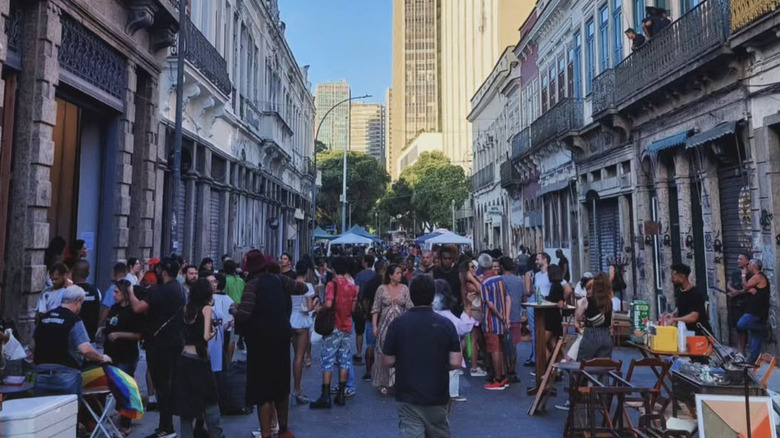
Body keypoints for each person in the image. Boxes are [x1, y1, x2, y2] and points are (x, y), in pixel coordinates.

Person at [231, 250, 307, 437]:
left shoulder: (252, 285)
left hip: (260, 342)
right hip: (281, 337)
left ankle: (266, 434)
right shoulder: (280, 280)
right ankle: (283, 430)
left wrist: (233, 309)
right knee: (280, 387)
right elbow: (302, 288)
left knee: (263, 390)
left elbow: (245, 313)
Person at [383, 274, 462, 438]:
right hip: (437, 393)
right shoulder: (446, 324)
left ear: (411, 295)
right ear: (433, 296)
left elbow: (388, 360)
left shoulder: (397, 324)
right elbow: (456, 361)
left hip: (407, 393)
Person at [128, 257, 185, 438]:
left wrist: (130, 291)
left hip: (159, 342)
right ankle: (168, 425)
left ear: (163, 271)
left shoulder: (159, 291)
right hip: (176, 341)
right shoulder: (180, 289)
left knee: (162, 385)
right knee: (169, 383)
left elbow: (138, 308)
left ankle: (166, 427)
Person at [171, 278, 224, 438]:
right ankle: (216, 433)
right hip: (200, 360)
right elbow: (205, 336)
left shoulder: (187, 307)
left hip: (184, 358)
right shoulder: (206, 308)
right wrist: (213, 332)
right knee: (210, 401)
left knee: (186, 405)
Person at [310, 256, 358, 409]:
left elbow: (329, 304)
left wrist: (319, 309)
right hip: (347, 326)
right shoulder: (352, 287)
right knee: (344, 359)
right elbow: (353, 309)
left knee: (328, 360)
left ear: (335, 269)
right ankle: (342, 394)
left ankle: (325, 396)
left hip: (333, 327)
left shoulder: (332, 284)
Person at [34, 285, 112, 369]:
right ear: (78, 301)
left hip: (41, 370)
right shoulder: (74, 320)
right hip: (66, 372)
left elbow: (32, 345)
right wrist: (102, 358)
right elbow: (86, 350)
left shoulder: (45, 316)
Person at [103, 279, 144, 434]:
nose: (113, 295)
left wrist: (119, 334)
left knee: (125, 389)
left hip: (126, 355)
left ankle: (126, 422)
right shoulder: (114, 308)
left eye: (116, 292)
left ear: (125, 294)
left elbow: (139, 335)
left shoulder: (133, 312)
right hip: (110, 354)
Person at [371, 263, 413, 396]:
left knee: (400, 352)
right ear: (390, 275)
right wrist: (374, 326)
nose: (400, 275)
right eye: (398, 273)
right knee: (382, 352)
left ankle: (398, 381)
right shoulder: (381, 289)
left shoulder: (405, 288)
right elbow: (375, 309)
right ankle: (382, 382)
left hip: (400, 326)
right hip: (384, 326)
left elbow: (409, 306)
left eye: (401, 273)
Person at [433, 279, 473, 402]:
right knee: (453, 371)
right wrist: (468, 307)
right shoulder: (448, 316)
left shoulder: (428, 313)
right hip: (449, 350)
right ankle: (452, 393)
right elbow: (464, 327)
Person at [478, 253, 510, 390]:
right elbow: (508, 298)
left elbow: (489, 304)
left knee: (494, 349)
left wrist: (500, 316)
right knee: (500, 348)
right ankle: (503, 375)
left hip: (491, 320)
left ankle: (498, 378)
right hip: (502, 319)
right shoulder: (500, 279)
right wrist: (506, 317)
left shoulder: (484, 283)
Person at [291, 260, 316, 404]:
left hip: (289, 321)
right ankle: (297, 388)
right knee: (299, 357)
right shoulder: (308, 287)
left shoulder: (290, 284)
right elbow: (309, 307)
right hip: (302, 322)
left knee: (292, 355)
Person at [663, 263, 712, 336]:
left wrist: (675, 320)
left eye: (674, 277)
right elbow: (681, 307)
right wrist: (673, 314)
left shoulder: (695, 294)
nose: (672, 280)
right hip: (687, 333)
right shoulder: (680, 291)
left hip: (699, 334)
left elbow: (694, 316)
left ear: (682, 276)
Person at [737, 259, 770, 363]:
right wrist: (748, 290)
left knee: (741, 325)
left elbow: (745, 285)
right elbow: (747, 288)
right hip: (758, 312)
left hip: (756, 311)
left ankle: (762, 328)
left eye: (750, 264)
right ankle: (751, 361)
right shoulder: (756, 277)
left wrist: (743, 275)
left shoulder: (758, 276)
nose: (748, 265)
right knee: (756, 335)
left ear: (754, 266)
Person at [500, 256, 524, 383]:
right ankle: (513, 370)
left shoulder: (500, 280)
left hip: (503, 315)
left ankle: (505, 370)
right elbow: (523, 295)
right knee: (513, 344)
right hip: (516, 315)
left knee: (503, 345)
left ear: (502, 267)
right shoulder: (519, 280)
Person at [460, 260, 486, 377]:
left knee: (469, 340)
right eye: (472, 267)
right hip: (474, 313)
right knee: (473, 340)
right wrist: (474, 278)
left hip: (473, 312)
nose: (475, 269)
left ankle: (459, 362)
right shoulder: (469, 283)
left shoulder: (466, 282)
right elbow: (482, 290)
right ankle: (474, 367)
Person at [361, 260, 385, 381]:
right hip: (385, 318)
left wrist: (367, 312)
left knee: (370, 345)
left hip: (372, 318)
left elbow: (364, 300)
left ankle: (368, 371)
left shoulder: (370, 283)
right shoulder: (386, 284)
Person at [71, 260, 102, 343]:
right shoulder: (96, 291)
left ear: (72, 272)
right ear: (88, 274)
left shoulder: (68, 291)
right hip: (90, 337)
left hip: (72, 338)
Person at [353, 255, 376, 365]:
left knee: (359, 332)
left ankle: (358, 353)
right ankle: (372, 352)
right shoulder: (375, 275)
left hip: (360, 306)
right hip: (373, 306)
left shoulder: (359, 275)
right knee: (372, 331)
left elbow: (356, 291)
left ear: (365, 263)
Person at [727, 253, 751, 355]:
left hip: (745, 304)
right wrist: (732, 290)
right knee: (737, 326)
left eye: (740, 259)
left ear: (747, 261)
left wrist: (738, 292)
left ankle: (743, 348)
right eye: (738, 259)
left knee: (743, 327)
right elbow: (729, 283)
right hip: (735, 304)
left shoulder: (750, 274)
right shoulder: (735, 272)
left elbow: (749, 288)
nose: (738, 261)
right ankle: (739, 348)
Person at [433, 245, 465, 317]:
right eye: (445, 258)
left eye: (449, 258)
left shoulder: (458, 272)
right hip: (438, 309)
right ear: (440, 259)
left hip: (456, 310)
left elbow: (462, 288)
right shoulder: (434, 272)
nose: (447, 261)